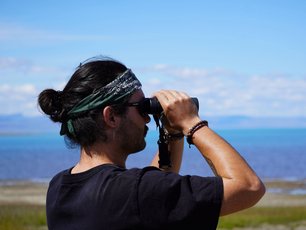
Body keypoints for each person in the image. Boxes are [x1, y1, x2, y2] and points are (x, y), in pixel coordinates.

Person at [38, 56, 265, 230]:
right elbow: (249, 186)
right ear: (112, 117)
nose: (147, 118)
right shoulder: (136, 191)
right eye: (141, 108)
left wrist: (171, 132)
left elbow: (148, 194)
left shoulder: (59, 188)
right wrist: (191, 123)